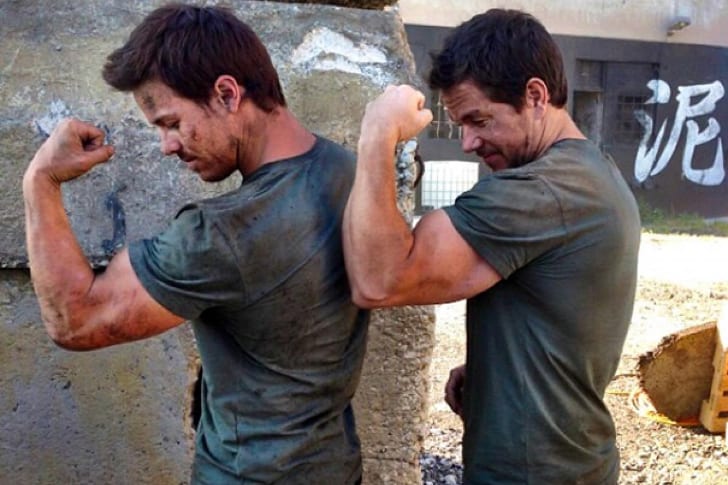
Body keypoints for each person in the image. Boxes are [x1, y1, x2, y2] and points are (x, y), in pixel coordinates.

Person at [23, 4, 369, 484]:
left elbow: (74, 320)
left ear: (227, 94)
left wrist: (40, 180)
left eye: (170, 122)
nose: (166, 145)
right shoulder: (347, 170)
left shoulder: (221, 234)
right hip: (337, 468)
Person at [343, 8, 640, 484]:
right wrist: (497, 368)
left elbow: (379, 280)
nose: (468, 142)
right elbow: (562, 303)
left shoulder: (543, 191)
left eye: (479, 120)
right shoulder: (592, 171)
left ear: (535, 96)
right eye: (461, 124)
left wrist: (377, 134)